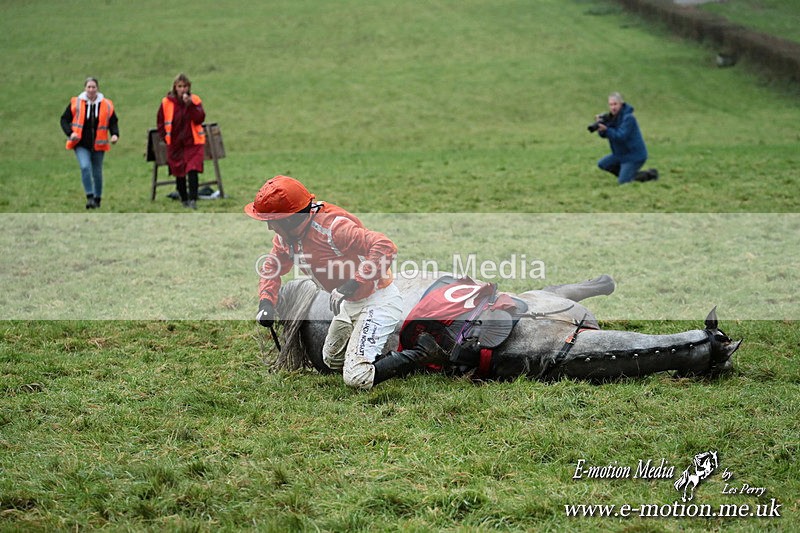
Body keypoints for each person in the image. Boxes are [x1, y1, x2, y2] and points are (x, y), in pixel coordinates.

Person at [245, 175, 446, 389]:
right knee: (330, 360)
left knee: (356, 378)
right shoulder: (287, 238)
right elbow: (272, 266)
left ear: (288, 219)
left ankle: (421, 352)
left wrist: (352, 283)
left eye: (271, 222)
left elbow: (385, 246)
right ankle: (373, 361)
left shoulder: (333, 228)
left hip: (378, 301)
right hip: (349, 305)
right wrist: (266, 302)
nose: (269, 228)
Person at [60, 77, 119, 209]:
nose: (91, 90)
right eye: (89, 87)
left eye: (93, 87)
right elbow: (64, 119)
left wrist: (115, 134)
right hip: (81, 143)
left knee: (97, 172)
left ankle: (98, 199)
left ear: (97, 88)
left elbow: (113, 121)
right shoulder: (76, 103)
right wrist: (70, 133)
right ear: (85, 88)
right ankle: (90, 197)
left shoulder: (107, 104)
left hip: (99, 144)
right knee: (85, 167)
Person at [157, 73, 206, 209]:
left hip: (193, 142)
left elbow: (200, 118)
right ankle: (184, 199)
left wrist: (190, 105)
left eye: (185, 86)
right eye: (179, 86)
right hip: (175, 143)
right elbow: (160, 122)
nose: (182, 89)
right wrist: (164, 137)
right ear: (175, 87)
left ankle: (193, 199)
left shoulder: (195, 100)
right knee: (179, 171)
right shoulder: (166, 102)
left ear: (189, 87)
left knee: (193, 169)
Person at [593, 92, 658, 185]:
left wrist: (606, 129)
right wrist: (600, 127)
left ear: (621, 104)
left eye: (615, 104)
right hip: (620, 154)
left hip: (634, 156)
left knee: (623, 182)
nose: (613, 107)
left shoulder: (629, 118)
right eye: (611, 104)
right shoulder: (611, 118)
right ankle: (630, 175)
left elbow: (621, 136)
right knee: (602, 164)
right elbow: (604, 135)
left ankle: (648, 175)